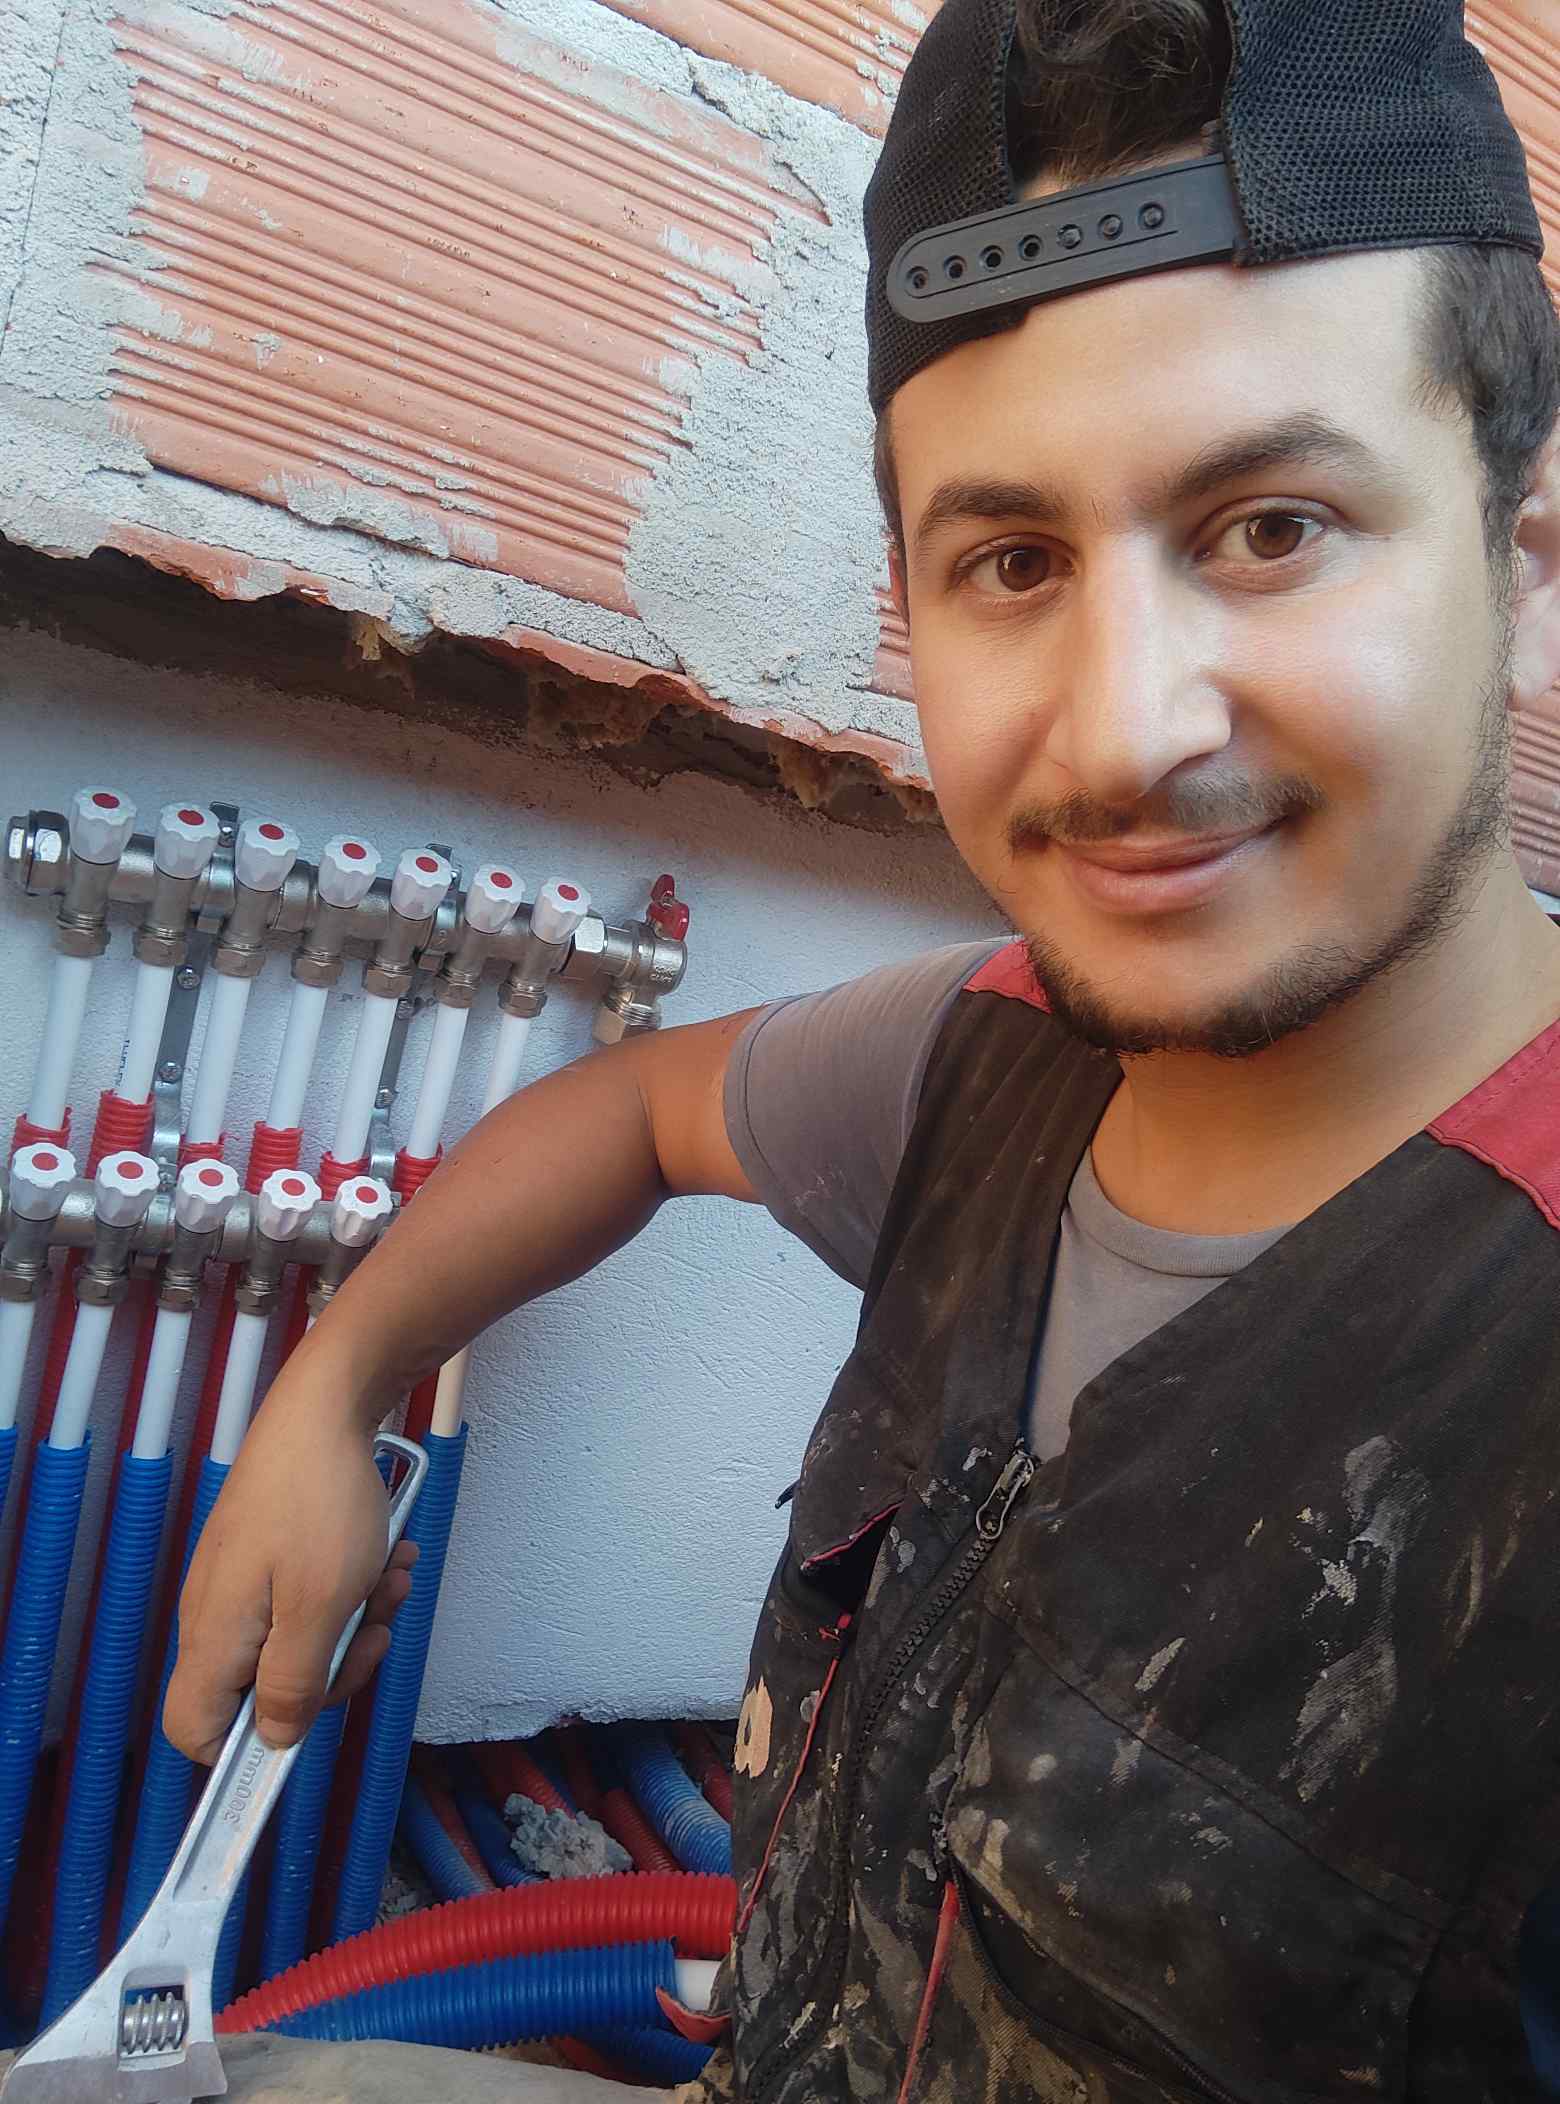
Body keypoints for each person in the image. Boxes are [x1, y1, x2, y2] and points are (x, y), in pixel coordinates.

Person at [166, 0, 1560, 2094]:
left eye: (1271, 525)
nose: (1124, 728)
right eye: (1013, 561)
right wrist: (337, 1382)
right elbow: (629, 1110)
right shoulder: (987, 1067)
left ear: (1524, 567)